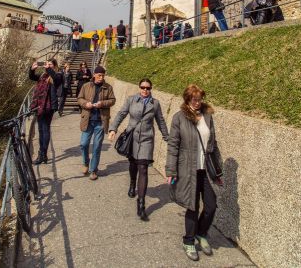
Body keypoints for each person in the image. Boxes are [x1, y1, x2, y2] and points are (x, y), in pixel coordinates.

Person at [166, 84, 223, 262]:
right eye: (194, 99)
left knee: (211, 205)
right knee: (192, 206)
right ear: (187, 99)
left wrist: (217, 173)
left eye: (200, 99)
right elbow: (173, 145)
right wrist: (171, 170)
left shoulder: (207, 116)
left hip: (204, 169)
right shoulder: (179, 118)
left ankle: (201, 233)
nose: (198, 102)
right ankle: (189, 241)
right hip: (187, 168)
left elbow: (212, 146)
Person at [108, 78, 169, 221]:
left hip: (147, 139)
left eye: (148, 88)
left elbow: (160, 121)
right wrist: (113, 129)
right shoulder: (131, 100)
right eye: (143, 87)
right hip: (132, 137)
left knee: (143, 168)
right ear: (139, 88)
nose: (145, 90)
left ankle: (141, 204)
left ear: (151, 89)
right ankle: (132, 183)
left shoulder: (155, 104)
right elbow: (121, 114)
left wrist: (167, 137)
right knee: (133, 164)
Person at [78, 65, 116, 180]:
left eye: (103, 76)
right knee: (84, 144)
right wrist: (86, 104)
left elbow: (113, 100)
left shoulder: (108, 87)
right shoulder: (86, 86)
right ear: (94, 75)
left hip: (100, 121)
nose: (101, 77)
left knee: (97, 146)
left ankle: (93, 170)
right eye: (99, 75)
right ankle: (85, 162)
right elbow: (79, 98)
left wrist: (102, 103)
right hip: (87, 120)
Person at [29, 58, 62, 164]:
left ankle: (42, 154)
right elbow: (32, 77)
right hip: (39, 105)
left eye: (51, 64)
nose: (49, 65)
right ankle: (42, 155)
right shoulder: (43, 76)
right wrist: (32, 69)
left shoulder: (57, 75)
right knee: (40, 130)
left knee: (45, 129)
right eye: (47, 64)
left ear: (55, 66)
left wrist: (49, 69)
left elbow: (56, 80)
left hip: (49, 106)